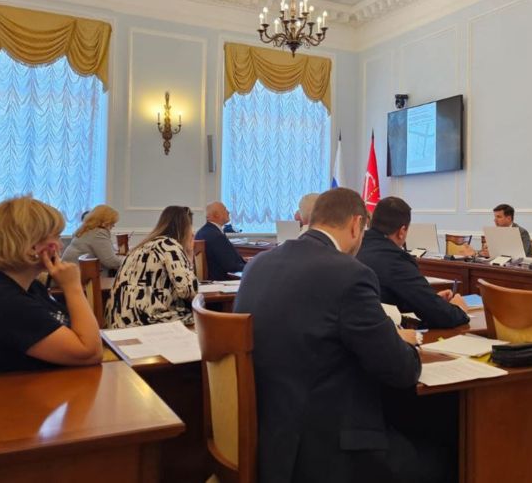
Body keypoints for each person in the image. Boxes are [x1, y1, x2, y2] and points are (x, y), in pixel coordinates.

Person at [235, 188, 448, 483]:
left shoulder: (258, 264)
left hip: (270, 438)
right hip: (329, 450)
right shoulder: (349, 273)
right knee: (446, 455)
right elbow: (401, 370)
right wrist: (400, 340)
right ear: (356, 224)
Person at [0, 196, 102, 375]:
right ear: (31, 247)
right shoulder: (6, 303)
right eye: (56, 237)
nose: (60, 245)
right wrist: (72, 287)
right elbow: (90, 352)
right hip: (20, 390)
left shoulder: (30, 287)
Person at [356, 197, 469, 329]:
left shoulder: (357, 245)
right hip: (379, 332)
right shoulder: (396, 260)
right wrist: (458, 309)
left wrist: (431, 299)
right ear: (402, 231)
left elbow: (385, 295)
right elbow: (440, 315)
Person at [106, 206, 198, 328]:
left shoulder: (145, 244)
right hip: (145, 320)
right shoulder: (169, 246)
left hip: (119, 319)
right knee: (204, 320)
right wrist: (190, 254)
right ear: (185, 228)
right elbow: (188, 291)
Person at [62, 205, 125, 270]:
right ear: (105, 221)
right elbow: (111, 262)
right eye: (112, 222)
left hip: (68, 270)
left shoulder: (87, 229)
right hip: (78, 272)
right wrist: (128, 262)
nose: (113, 225)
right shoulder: (98, 232)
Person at [194, 202, 246, 280]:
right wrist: (252, 266)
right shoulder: (216, 236)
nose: (228, 212)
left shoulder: (203, 231)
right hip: (221, 280)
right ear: (216, 215)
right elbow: (231, 266)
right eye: (225, 209)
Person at [467, 203, 531, 258]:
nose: (495, 220)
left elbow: (521, 255)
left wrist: (493, 254)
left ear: (509, 218)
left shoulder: (522, 232)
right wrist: (477, 253)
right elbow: (488, 251)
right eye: (495, 217)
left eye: (499, 217)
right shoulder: (495, 232)